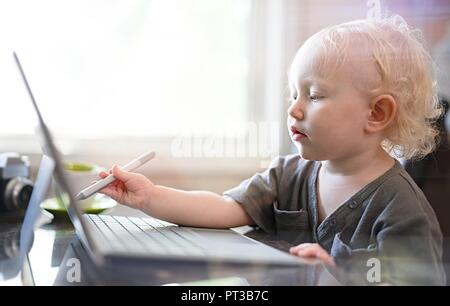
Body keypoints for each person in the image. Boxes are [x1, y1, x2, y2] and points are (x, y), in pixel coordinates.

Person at [99, 15, 446, 285]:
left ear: (376, 113)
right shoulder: (288, 175)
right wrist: (149, 197)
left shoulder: (401, 209)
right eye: (294, 94)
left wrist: (337, 277)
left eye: (315, 95)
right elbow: (225, 208)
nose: (294, 109)